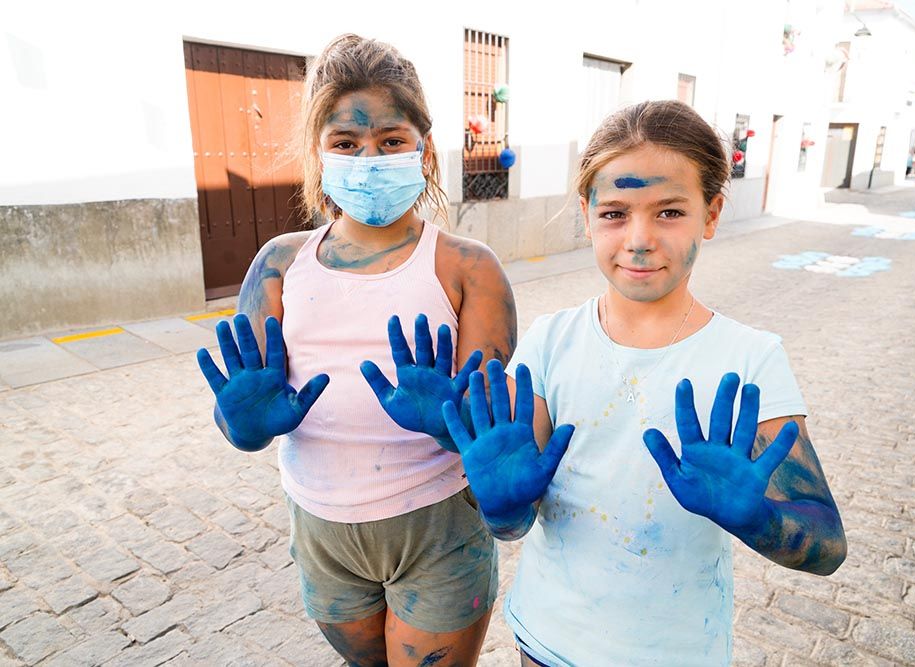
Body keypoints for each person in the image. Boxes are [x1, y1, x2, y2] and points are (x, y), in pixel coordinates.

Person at [375, 100, 848, 666]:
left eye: (670, 212)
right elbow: (514, 519)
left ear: (713, 213)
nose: (640, 238)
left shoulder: (749, 360)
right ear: (587, 213)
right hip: (547, 641)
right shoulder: (551, 342)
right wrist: (500, 506)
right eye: (616, 213)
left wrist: (759, 518)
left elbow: (827, 545)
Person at [196, 34, 517, 667]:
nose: (368, 159)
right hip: (320, 533)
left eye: (391, 141)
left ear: (424, 153)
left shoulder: (469, 267)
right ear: (318, 158)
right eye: (346, 144)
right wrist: (240, 427)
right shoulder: (279, 265)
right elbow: (248, 408)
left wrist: (451, 424)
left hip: (437, 525)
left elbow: (492, 428)